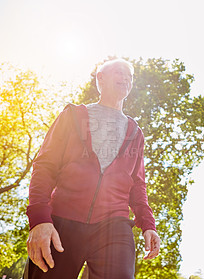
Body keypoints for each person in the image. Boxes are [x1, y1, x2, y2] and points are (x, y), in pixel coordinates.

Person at [25, 58, 160, 279]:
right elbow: (44, 166)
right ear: (101, 79)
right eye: (119, 72)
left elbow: (137, 185)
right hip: (62, 221)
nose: (126, 77)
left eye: (130, 75)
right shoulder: (72, 116)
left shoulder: (135, 132)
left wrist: (148, 225)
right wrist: (39, 220)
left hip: (114, 227)